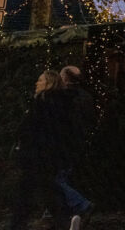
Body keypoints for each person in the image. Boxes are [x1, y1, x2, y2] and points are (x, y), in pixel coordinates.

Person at [11, 71, 71, 230]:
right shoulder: (61, 103)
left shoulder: (42, 102)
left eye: (40, 80)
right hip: (48, 153)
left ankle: (17, 223)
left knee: (28, 190)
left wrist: (23, 141)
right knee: (46, 189)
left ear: (48, 83)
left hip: (36, 153)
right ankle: (64, 220)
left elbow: (31, 127)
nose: (37, 83)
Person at [58, 66, 95, 229]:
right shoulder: (86, 97)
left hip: (63, 143)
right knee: (65, 177)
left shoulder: (61, 97)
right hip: (78, 143)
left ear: (65, 79)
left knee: (56, 178)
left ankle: (81, 206)